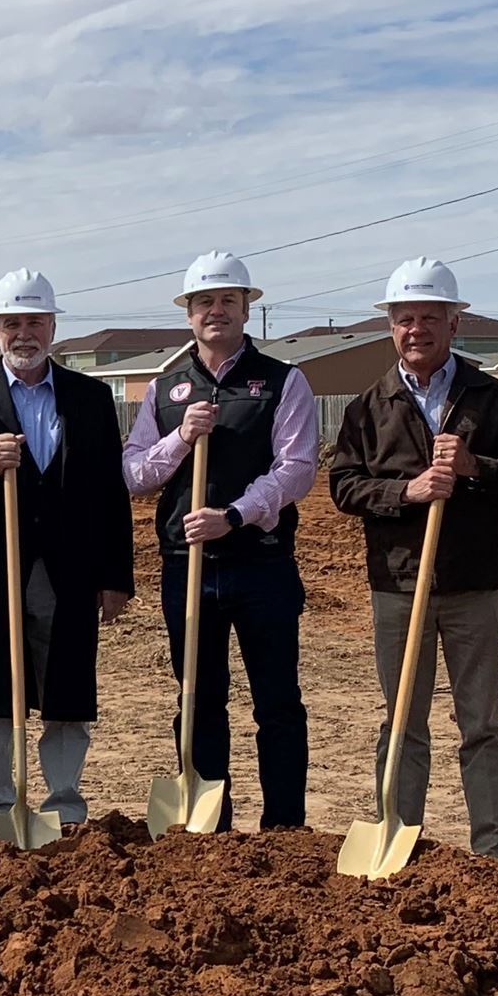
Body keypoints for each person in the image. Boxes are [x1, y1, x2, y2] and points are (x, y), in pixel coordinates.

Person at [329, 258, 498, 855]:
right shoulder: (368, 406)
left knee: (482, 722)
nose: (416, 329)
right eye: (405, 318)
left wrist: (474, 468)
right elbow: (343, 486)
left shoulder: (494, 398)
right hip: (398, 585)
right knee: (402, 719)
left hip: (476, 584)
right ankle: (397, 837)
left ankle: (494, 848)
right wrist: (407, 491)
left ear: (456, 323)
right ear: (391, 328)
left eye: (431, 316)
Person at [122, 252, 318, 831]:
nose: (216, 311)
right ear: (188, 314)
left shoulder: (284, 380)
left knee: (277, 702)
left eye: (228, 301)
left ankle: (285, 828)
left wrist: (232, 515)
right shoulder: (165, 387)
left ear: (246, 309)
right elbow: (134, 474)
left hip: (261, 563)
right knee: (199, 700)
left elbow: (298, 468)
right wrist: (181, 438)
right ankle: (211, 824)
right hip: (187, 567)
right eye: (204, 302)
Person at [0, 270, 131, 831]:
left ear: (52, 326)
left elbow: (110, 492)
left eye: (34, 321)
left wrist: (114, 575)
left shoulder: (89, 398)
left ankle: (64, 802)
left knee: (66, 685)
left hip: (68, 569)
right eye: (12, 323)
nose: (24, 333)